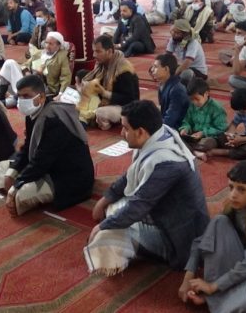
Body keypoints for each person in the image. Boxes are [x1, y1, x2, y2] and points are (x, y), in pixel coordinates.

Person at [85, 100, 209, 275]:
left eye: (125, 128)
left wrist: (101, 227)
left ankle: (123, 257)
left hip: (176, 240)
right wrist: (104, 200)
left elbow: (138, 206)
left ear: (141, 132)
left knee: (107, 236)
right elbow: (130, 175)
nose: (121, 133)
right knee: (113, 207)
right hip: (164, 215)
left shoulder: (166, 164)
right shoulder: (160, 135)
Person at [179, 161, 246, 313]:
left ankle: (213, 296)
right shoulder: (233, 205)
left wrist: (212, 287)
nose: (233, 194)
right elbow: (202, 241)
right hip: (235, 261)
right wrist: (188, 277)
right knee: (218, 222)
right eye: (231, 187)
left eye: (241, 189)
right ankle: (219, 295)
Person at [0, 75, 94, 216]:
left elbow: (42, 161)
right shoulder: (33, 113)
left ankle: (17, 197)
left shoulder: (55, 120)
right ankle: (16, 195)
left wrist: (16, 185)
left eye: (26, 96)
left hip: (65, 175)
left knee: (22, 193)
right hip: (45, 165)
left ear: (41, 97)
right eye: (19, 96)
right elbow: (28, 147)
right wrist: (12, 174)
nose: (21, 101)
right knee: (1, 169)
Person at [85, 35, 140, 130]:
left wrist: (105, 93)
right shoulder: (102, 64)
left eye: (98, 51)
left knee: (100, 113)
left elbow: (129, 99)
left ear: (109, 51)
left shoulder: (123, 69)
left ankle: (108, 122)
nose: (94, 55)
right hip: (106, 102)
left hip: (125, 107)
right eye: (94, 51)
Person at [178, 78, 228, 154]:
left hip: (210, 137)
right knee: (177, 136)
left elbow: (221, 128)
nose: (194, 102)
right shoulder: (192, 106)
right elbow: (187, 121)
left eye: (197, 99)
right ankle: (193, 149)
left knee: (206, 143)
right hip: (194, 135)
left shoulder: (216, 108)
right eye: (191, 99)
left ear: (206, 94)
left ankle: (190, 148)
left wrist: (203, 133)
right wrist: (185, 128)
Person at [150, 53, 189, 129]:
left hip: (178, 128)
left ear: (166, 69)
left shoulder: (177, 90)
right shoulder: (163, 84)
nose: (152, 70)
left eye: (155, 67)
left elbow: (170, 120)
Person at [166, 19, 208, 85]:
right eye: (173, 31)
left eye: (177, 33)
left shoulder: (193, 43)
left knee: (186, 73)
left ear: (184, 34)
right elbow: (167, 56)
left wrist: (172, 75)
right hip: (182, 67)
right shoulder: (173, 39)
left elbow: (186, 64)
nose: (174, 34)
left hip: (197, 71)